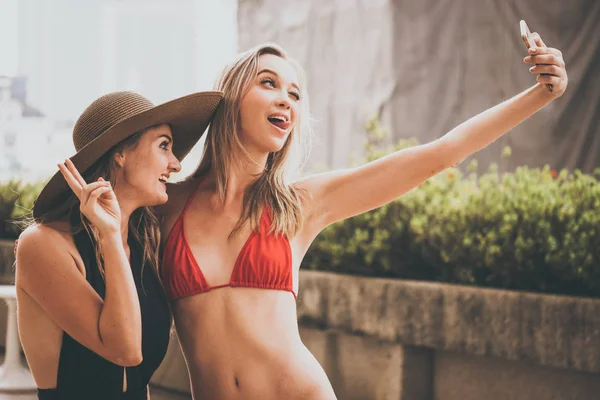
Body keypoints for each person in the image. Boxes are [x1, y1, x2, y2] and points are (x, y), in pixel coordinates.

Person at [159, 31, 568, 399]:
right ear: (230, 95)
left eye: (296, 94)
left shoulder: (300, 204)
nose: (287, 99)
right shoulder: (167, 205)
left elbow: (440, 154)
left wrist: (542, 94)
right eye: (269, 83)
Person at [15, 90, 223, 399]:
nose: (176, 164)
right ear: (119, 153)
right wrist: (110, 236)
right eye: (164, 145)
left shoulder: (145, 243)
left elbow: (138, 381)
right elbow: (125, 351)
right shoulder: (44, 244)